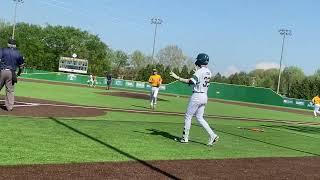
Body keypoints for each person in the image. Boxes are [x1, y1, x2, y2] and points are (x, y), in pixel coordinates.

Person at [170, 53, 219, 146]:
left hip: (197, 96)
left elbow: (191, 82)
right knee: (200, 117)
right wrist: (196, 72)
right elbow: (197, 80)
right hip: (204, 96)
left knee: (188, 116)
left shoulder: (199, 71)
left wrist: (178, 78)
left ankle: (185, 138)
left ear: (199, 61)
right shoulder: (209, 71)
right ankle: (213, 135)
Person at [0, 38, 24, 111]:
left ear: (8, 44)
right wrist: (19, 73)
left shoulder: (3, 50)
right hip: (11, 73)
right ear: (15, 45)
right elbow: (21, 66)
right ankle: (9, 107)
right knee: (10, 90)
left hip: (2, 71)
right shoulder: (18, 53)